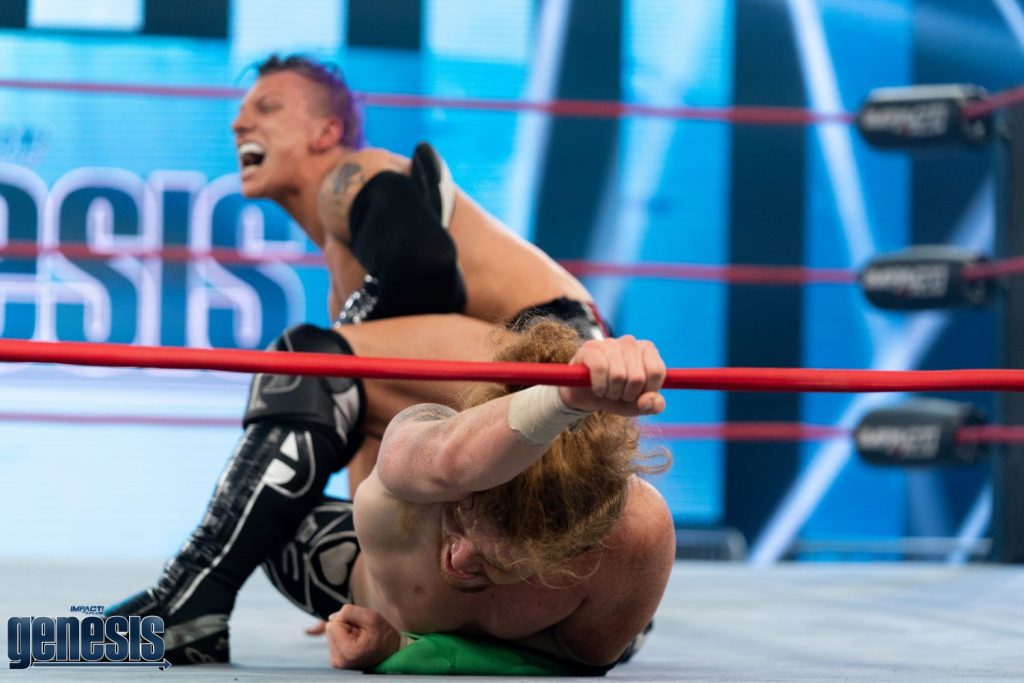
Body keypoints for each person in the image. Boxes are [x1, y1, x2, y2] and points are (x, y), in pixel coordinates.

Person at [231, 53, 609, 490]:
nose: (239, 125)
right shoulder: (343, 277)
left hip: (561, 353)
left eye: (267, 108)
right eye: (240, 113)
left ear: (327, 132)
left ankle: (213, 540)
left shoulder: (353, 175)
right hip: (535, 386)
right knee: (372, 493)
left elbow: (426, 265)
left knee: (310, 363)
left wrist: (340, 344)